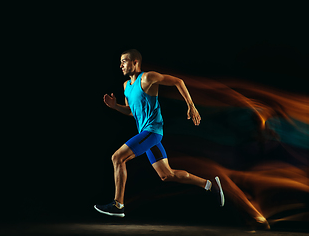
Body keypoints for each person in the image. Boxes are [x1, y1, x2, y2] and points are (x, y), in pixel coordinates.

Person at [94, 49, 224, 217]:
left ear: (135, 62)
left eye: (124, 61)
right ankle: (209, 185)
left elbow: (179, 81)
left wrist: (191, 105)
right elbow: (132, 112)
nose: (121, 65)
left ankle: (118, 204)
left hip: (152, 132)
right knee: (166, 175)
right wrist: (115, 106)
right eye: (120, 62)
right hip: (146, 135)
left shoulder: (148, 78)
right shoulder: (126, 86)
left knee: (117, 158)